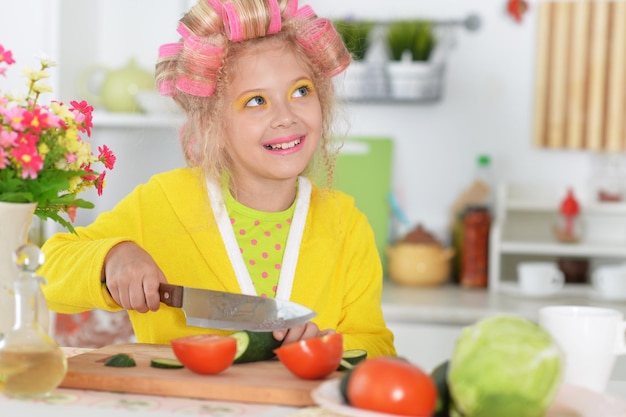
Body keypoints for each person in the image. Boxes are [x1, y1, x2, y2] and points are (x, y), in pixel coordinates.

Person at [41, 0, 396, 357]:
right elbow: (48, 272)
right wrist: (111, 257)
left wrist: (326, 347)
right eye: (256, 101)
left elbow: (377, 345)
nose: (286, 117)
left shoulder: (346, 226)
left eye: (301, 91)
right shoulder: (163, 203)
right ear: (213, 124)